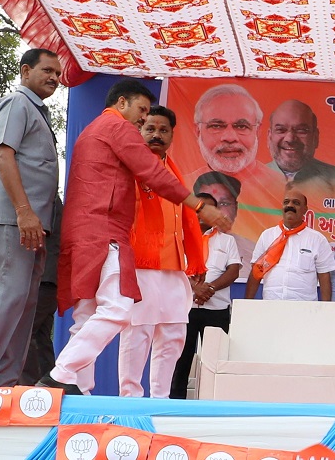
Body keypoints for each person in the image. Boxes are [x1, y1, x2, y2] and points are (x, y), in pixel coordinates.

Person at [40, 79, 229, 395]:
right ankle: (62, 373)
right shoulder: (118, 128)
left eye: (157, 124)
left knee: (87, 315)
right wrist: (200, 206)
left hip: (84, 233)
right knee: (117, 310)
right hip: (106, 233)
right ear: (122, 102)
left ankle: (80, 390)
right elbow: (152, 172)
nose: (143, 121)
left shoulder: (91, 132)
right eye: (142, 112)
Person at [119, 105, 206, 399]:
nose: (156, 135)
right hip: (140, 264)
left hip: (172, 265)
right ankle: (130, 401)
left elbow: (188, 217)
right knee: (137, 333)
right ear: (139, 131)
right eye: (150, 129)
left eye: (163, 130)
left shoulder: (173, 169)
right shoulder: (129, 167)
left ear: (171, 135)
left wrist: (196, 261)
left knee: (173, 333)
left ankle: (160, 400)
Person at [0, 48, 62, 386]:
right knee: (6, 299)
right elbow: (4, 155)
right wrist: (23, 212)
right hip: (14, 220)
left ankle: (2, 386)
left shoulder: (38, 110)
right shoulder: (16, 103)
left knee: (22, 307)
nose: (54, 78)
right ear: (24, 70)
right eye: (47, 70)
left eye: (58, 74)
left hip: (34, 224)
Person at [170, 192, 241, 399]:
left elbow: (234, 270)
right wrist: (195, 288)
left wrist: (208, 289)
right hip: (186, 310)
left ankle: (217, 403)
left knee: (217, 361)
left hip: (216, 310)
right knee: (181, 360)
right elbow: (174, 267)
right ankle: (176, 405)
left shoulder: (227, 241)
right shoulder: (180, 237)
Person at [244, 190, 335, 302]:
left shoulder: (317, 239)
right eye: (286, 202)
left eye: (296, 203)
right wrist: (247, 304)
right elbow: (256, 272)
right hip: (271, 305)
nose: (290, 205)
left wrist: (326, 309)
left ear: (305, 210)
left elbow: (324, 277)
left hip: (304, 308)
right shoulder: (267, 235)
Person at [192, 84, 277, 186]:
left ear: (257, 131)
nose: (229, 138)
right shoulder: (182, 189)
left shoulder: (284, 190)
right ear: (198, 131)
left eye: (241, 126)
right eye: (217, 126)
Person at [266, 100, 335, 194]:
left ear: (315, 137)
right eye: (281, 130)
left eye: (301, 131)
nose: (290, 139)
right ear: (269, 137)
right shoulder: (250, 181)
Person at [20, 197, 62, 386]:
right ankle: (45, 389)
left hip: (42, 278)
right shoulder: (46, 199)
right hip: (45, 278)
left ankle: (31, 390)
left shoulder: (43, 200)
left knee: (24, 335)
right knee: (38, 337)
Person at [193, 171, 255, 277]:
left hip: (216, 293)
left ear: (235, 208)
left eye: (224, 203)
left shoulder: (250, 250)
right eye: (202, 208)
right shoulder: (180, 239)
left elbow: (233, 273)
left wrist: (209, 288)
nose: (211, 214)